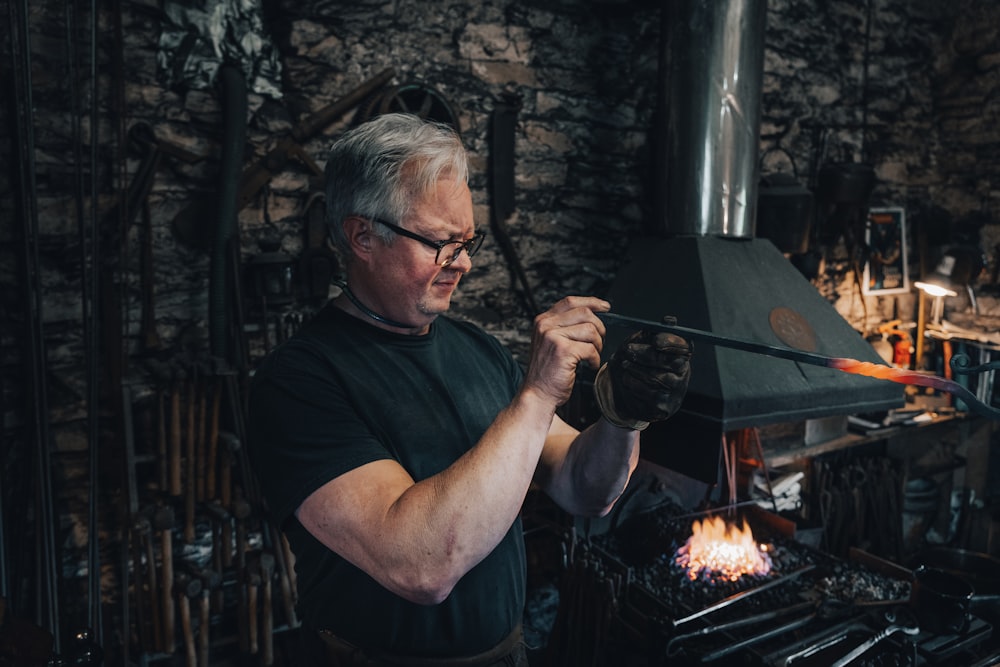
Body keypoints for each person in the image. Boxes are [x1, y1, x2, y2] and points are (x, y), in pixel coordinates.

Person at [247, 112, 692, 666]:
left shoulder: (477, 350)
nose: (465, 263)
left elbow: (583, 487)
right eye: (441, 242)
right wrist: (535, 397)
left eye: (467, 240)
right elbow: (420, 567)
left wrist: (623, 415)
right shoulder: (299, 382)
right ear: (362, 236)